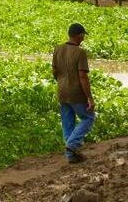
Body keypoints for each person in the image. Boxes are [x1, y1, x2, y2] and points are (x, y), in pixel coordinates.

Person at [53, 23, 96, 164]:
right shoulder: (80, 52)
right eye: (83, 35)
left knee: (68, 123)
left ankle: (71, 156)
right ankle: (72, 145)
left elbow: (54, 71)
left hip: (61, 91)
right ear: (80, 35)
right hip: (76, 93)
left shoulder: (58, 49)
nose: (84, 38)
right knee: (88, 117)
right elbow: (83, 76)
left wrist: (62, 83)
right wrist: (89, 98)